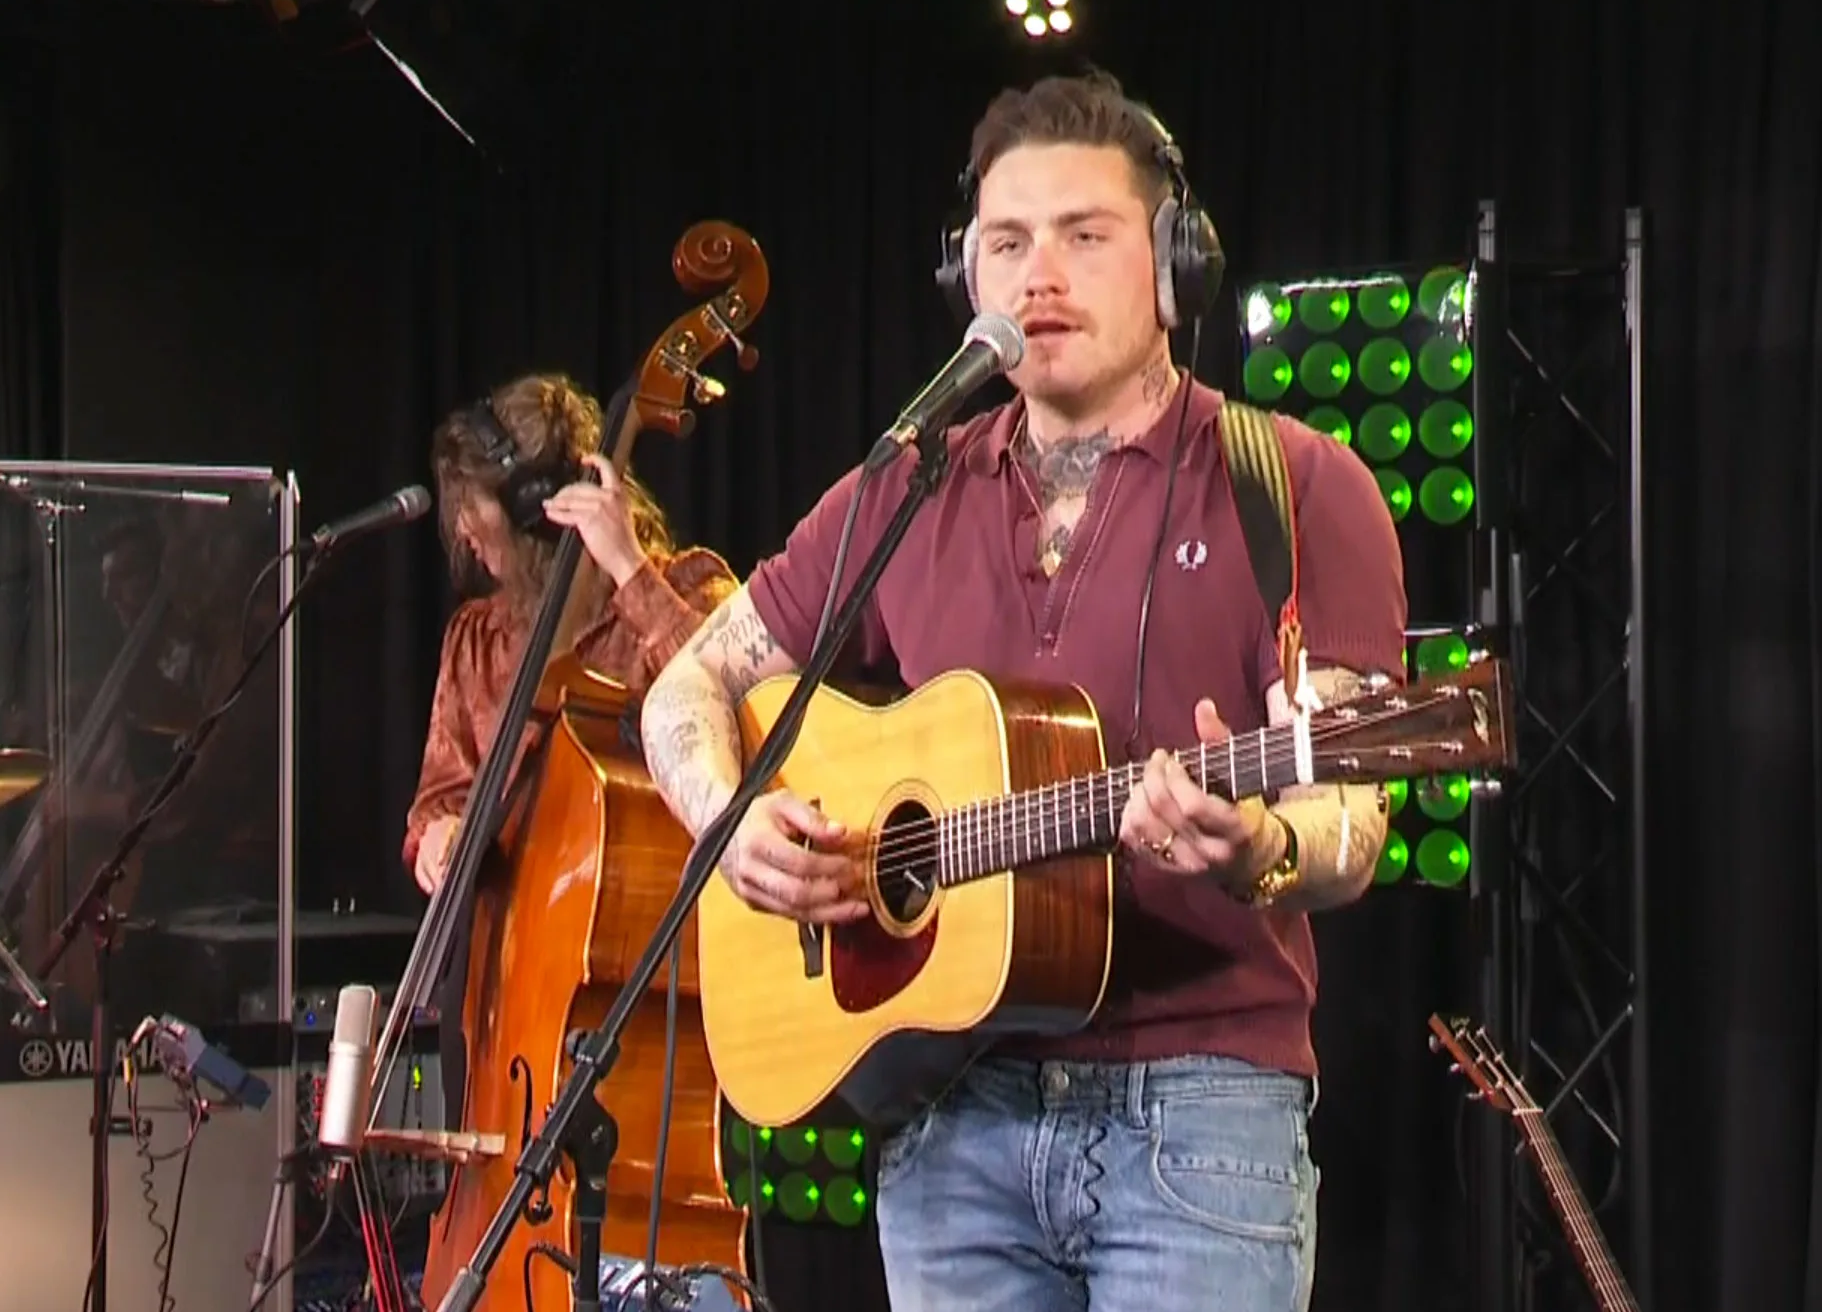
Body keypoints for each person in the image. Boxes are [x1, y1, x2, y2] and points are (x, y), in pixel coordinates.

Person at [636, 72, 1405, 1311]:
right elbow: (686, 686)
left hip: (1199, 1116)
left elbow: (1354, 815)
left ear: (1172, 267)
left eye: (1085, 236)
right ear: (966, 282)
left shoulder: (1297, 487)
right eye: (1006, 243)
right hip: (949, 1115)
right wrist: (731, 827)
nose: (1037, 275)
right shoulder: (902, 488)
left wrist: (1258, 839)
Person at [403, 372, 738, 895]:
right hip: (504, 958)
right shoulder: (477, 638)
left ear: (533, 507)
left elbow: (742, 704)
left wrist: (630, 569)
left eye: (474, 503)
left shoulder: (693, 589)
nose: (462, 528)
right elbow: (441, 795)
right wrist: (434, 833)